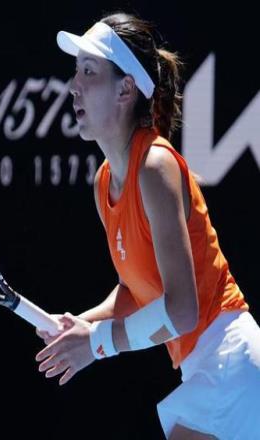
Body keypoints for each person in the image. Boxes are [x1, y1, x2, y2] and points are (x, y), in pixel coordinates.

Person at [35, 12, 260, 440]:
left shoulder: (155, 166)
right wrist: (80, 326)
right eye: (76, 71)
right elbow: (136, 290)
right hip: (210, 370)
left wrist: (96, 343)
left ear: (125, 89)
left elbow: (182, 310)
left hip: (231, 360)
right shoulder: (104, 183)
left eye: (88, 71)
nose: (74, 86)